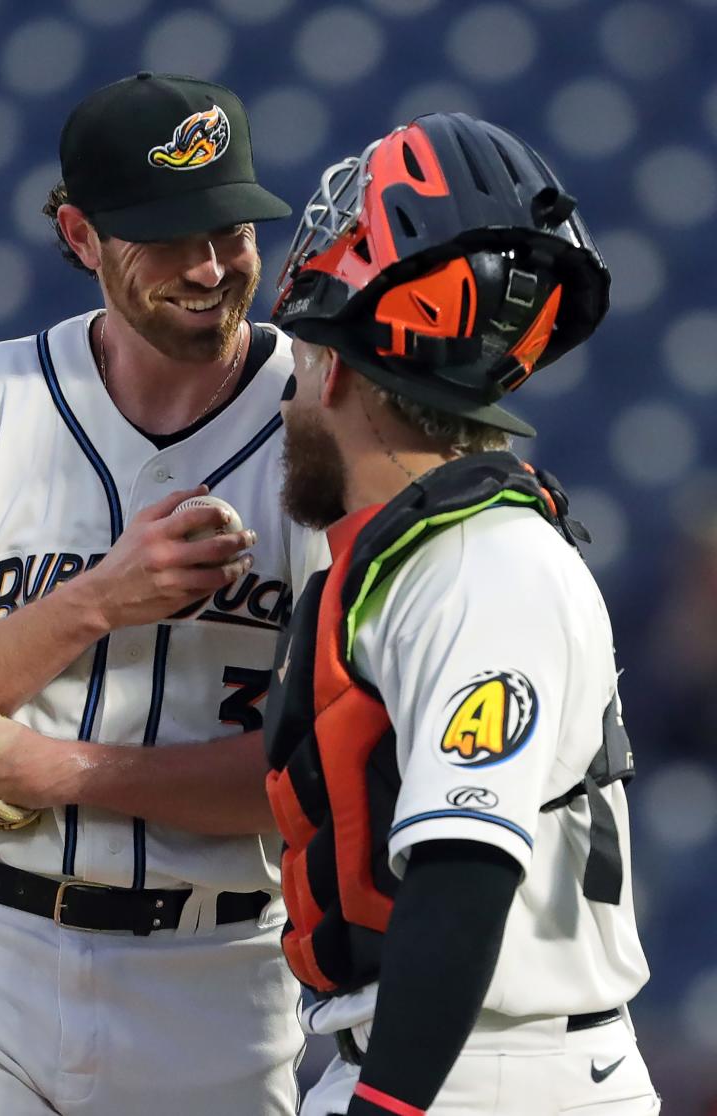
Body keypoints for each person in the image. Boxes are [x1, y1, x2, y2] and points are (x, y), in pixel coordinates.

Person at [0, 72, 324, 1115]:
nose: (208, 266)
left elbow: (317, 778)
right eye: (166, 234)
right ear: (79, 234)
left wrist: (60, 768)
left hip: (217, 978)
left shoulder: (325, 420)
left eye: (231, 229)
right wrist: (95, 601)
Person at [263, 112, 660, 1114]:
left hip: (488, 1072)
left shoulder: (483, 565)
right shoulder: (429, 554)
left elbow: (463, 870)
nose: (292, 390)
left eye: (303, 360)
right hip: (451, 1061)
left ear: (342, 364)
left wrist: (388, 1106)